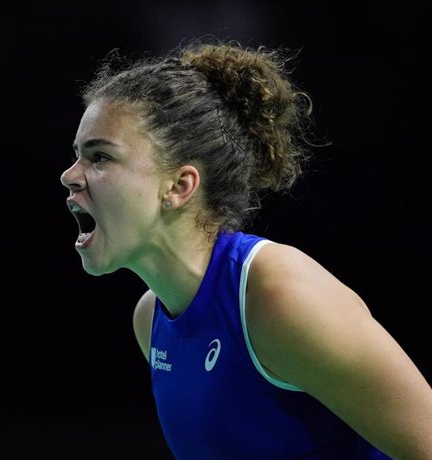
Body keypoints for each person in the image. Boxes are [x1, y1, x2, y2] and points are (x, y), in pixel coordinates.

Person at [60, 38, 432, 459]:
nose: (70, 176)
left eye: (100, 157)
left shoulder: (278, 295)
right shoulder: (150, 320)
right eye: (76, 155)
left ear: (179, 187)